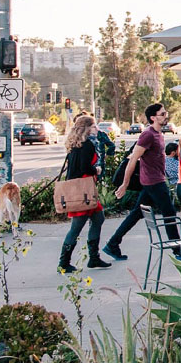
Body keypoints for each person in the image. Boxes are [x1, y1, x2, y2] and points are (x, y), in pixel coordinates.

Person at [104, 103, 177, 261]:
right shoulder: (148, 135)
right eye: (162, 114)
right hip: (153, 182)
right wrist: (125, 183)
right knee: (169, 213)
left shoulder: (159, 134)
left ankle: (112, 244)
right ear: (153, 117)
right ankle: (178, 249)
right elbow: (133, 160)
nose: (166, 116)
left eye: (166, 113)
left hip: (154, 180)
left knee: (137, 213)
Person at [58, 115, 112, 273]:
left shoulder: (74, 144)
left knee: (98, 217)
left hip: (80, 189)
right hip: (83, 191)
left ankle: (94, 257)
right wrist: (97, 169)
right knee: (77, 226)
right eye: (94, 126)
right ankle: (64, 262)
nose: (96, 129)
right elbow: (84, 168)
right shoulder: (87, 145)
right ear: (87, 128)